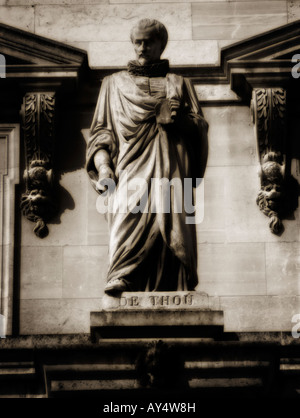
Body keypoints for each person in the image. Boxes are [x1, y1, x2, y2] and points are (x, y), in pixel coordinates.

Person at [86, 19, 208, 295]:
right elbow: (100, 134)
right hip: (130, 169)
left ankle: (175, 284)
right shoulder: (113, 84)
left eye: (148, 42)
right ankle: (122, 274)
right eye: (137, 42)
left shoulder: (180, 83)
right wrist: (105, 168)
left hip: (173, 169)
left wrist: (181, 121)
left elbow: (199, 130)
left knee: (173, 222)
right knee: (128, 215)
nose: (142, 48)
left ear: (160, 45)